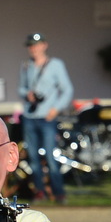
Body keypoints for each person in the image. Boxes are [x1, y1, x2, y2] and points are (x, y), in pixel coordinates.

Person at [19, 33, 74, 204]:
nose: (33, 48)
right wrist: (27, 94)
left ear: (44, 45)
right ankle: (39, 192)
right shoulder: (26, 65)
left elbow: (67, 89)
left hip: (47, 117)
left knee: (50, 156)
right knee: (33, 157)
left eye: (36, 45)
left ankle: (59, 193)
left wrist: (55, 109)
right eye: (30, 46)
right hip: (30, 116)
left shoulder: (56, 65)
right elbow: (20, 88)